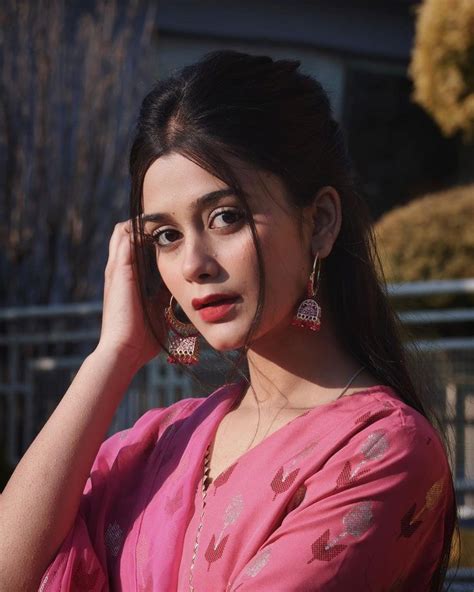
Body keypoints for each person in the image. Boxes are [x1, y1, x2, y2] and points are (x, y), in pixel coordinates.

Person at [0, 50, 458, 591]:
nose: (193, 264)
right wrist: (113, 356)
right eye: (166, 236)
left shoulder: (380, 451)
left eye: (226, 217)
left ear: (321, 223)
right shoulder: (162, 440)